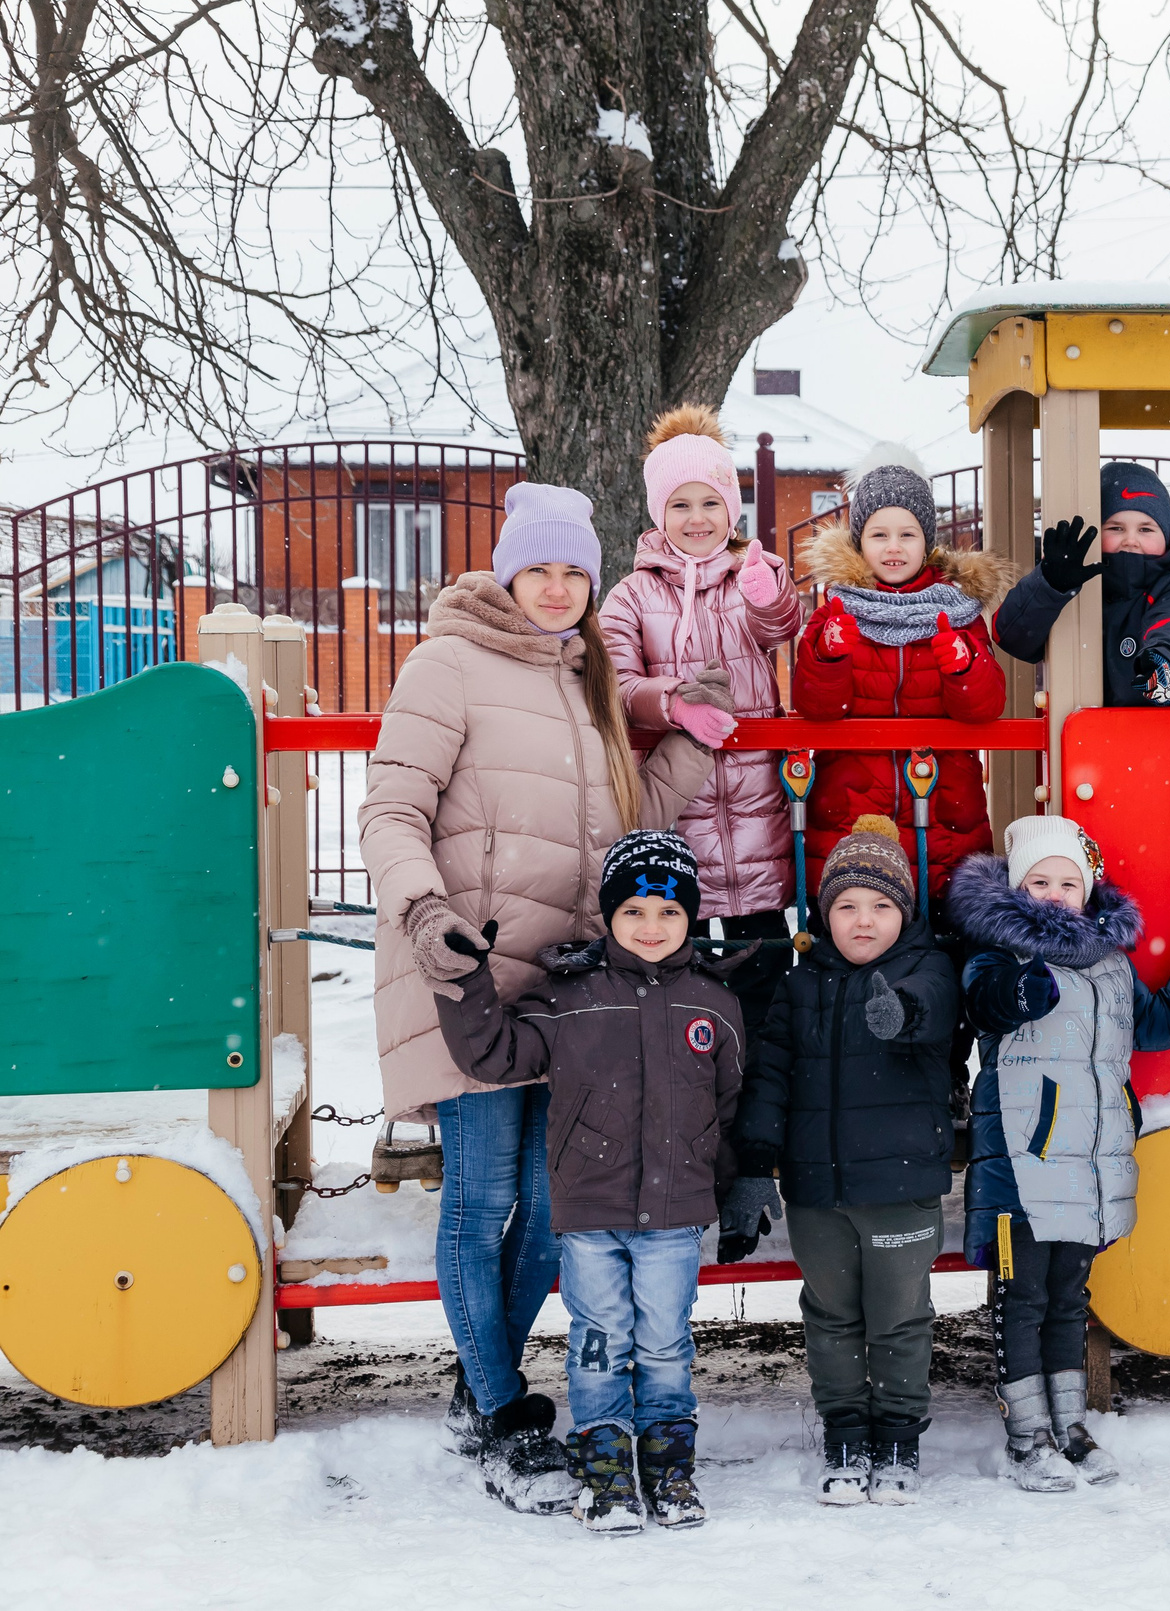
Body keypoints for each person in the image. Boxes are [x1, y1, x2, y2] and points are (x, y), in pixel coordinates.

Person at [359, 482, 721, 1515]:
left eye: (574, 572)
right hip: (465, 968)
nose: (558, 589)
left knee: (553, 1203)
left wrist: (690, 742)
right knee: (482, 1197)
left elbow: (624, 823)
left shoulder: (585, 676)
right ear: (507, 571)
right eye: (541, 569)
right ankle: (502, 1407)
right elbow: (392, 806)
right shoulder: (447, 663)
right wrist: (424, 914)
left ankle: (484, 1387)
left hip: (568, 987)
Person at [436, 832, 745, 1532]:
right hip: (591, 1214)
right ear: (608, 916)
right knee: (598, 1338)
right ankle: (605, 1469)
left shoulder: (714, 1005)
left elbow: (725, 1104)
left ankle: (668, 1467)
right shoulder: (572, 997)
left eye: (668, 912)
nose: (651, 926)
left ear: (690, 917)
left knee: (666, 1341)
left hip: (672, 1216)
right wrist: (466, 982)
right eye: (633, 910)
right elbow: (497, 1052)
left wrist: (723, 1187)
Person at [948, 817, 1170, 1491]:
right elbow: (983, 1003)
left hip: (1086, 1163)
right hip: (1022, 1162)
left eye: (1067, 882)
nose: (1053, 894)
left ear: (1087, 889)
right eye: (1038, 881)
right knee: (1021, 1297)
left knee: (1067, 1297)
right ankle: (1027, 1435)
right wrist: (1022, 993)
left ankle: (1070, 1425)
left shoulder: (1110, 963)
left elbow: (1159, 1022)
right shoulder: (1001, 949)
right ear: (1017, 887)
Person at [732, 817, 957, 1507]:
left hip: (900, 1187)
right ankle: (845, 1431)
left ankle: (897, 1435)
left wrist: (904, 1012)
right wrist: (751, 1166)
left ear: (905, 912)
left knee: (899, 1317)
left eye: (882, 905)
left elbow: (936, 1010)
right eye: (847, 905)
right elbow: (769, 1075)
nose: (864, 921)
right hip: (817, 1193)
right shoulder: (800, 985)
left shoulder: (928, 969)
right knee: (829, 1316)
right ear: (825, 913)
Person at [599, 403, 805, 1030]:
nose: (696, 519)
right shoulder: (631, 595)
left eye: (710, 503)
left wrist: (771, 597)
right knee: (679, 987)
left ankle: (757, 1112)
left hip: (754, 819)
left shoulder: (752, 576)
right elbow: (615, 682)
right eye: (680, 505)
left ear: (731, 509)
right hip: (672, 814)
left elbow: (780, 628)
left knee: (761, 973)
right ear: (659, 514)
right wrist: (671, 702)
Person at [794, 444, 1014, 911]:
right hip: (853, 812)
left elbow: (986, 706)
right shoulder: (839, 606)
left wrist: (962, 665)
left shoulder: (956, 610)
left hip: (944, 812)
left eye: (907, 534)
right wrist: (828, 655)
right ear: (860, 542)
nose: (893, 548)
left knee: (942, 937)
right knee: (861, 927)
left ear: (926, 541)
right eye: (879, 535)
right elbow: (816, 706)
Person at [993, 461, 1170, 706]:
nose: (1130, 540)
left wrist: (1163, 659)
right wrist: (1049, 584)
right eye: (1116, 528)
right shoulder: (1078, 586)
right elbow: (1012, 636)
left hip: (1160, 733)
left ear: (1167, 537)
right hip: (1081, 734)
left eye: (1146, 529)